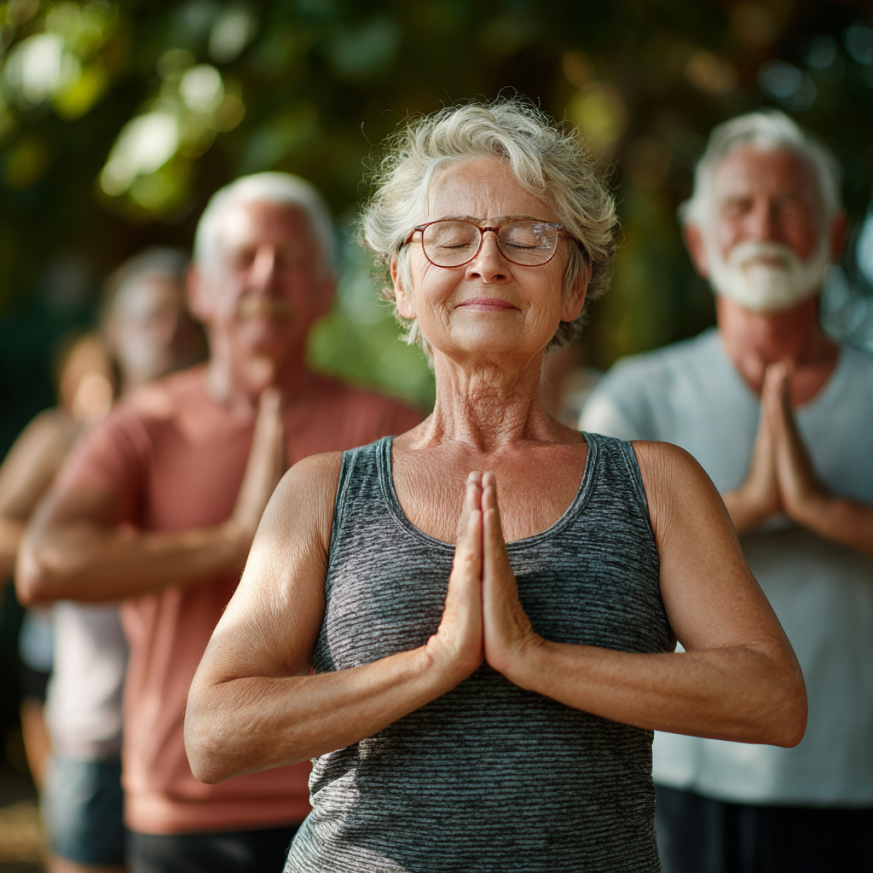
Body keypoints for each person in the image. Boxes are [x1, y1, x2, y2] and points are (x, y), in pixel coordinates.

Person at [183, 100, 806, 873]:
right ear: (400, 282)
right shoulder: (321, 491)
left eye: (527, 236)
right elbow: (214, 733)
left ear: (574, 287)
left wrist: (536, 659)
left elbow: (771, 698)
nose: (486, 261)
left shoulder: (654, 483)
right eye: (449, 237)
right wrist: (435, 661)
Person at [16, 172, 420, 873]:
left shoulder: (387, 426)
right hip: (182, 803)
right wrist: (232, 543)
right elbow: (43, 566)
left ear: (325, 290)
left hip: (349, 800)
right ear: (200, 289)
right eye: (244, 258)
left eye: (289, 259)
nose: (265, 276)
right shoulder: (143, 425)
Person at [581, 111, 873, 872]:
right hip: (682, 781)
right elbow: (588, 565)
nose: (763, 227)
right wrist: (743, 505)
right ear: (698, 242)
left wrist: (825, 510)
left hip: (857, 779)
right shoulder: (638, 396)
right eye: (739, 207)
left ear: (834, 235)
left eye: (789, 206)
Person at [44, 247, 203, 873]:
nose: (168, 333)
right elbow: (30, 556)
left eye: (183, 320)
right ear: (112, 328)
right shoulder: (67, 436)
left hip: (185, 737)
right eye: (150, 317)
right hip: (98, 733)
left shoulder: (214, 436)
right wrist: (97, 553)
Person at [1, 331, 116, 796]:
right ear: (69, 384)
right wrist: (66, 557)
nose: (107, 389)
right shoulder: (56, 436)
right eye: (95, 377)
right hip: (56, 647)